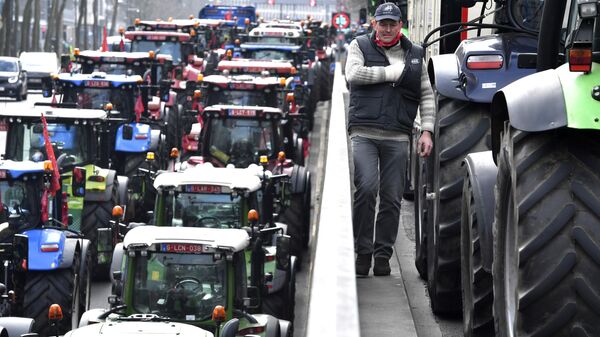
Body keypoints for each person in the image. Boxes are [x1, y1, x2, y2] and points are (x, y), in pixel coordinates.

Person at [345, 2, 434, 276]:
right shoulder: (359, 46)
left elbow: (426, 94)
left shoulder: (415, 54)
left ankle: (382, 255)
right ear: (374, 24)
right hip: (364, 132)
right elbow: (353, 74)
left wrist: (427, 130)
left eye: (391, 24)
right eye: (382, 23)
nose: (386, 28)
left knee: (393, 198)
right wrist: (391, 73)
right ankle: (362, 254)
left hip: (398, 135)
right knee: (367, 189)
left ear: (400, 25)